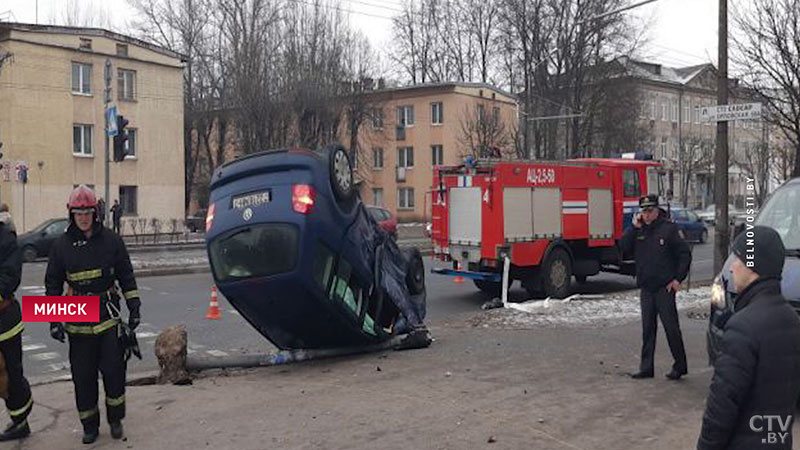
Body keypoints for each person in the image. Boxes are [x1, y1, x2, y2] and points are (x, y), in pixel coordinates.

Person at [45, 185, 141, 444]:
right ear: (71, 214)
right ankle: (90, 425)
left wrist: (134, 308)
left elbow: (126, 276)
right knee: (83, 378)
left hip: (107, 314)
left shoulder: (112, 241)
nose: (84, 217)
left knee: (114, 372)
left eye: (87, 212)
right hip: (77, 317)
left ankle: (115, 419)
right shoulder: (61, 246)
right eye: (79, 212)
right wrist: (54, 319)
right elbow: (52, 284)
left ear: (95, 213)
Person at [698, 226, 800, 449]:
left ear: (754, 267)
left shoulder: (742, 326)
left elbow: (722, 405)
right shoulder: (792, 319)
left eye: (739, 259)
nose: (732, 268)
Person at [620, 194, 691, 380]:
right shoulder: (639, 230)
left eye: (650, 210)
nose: (647, 214)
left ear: (657, 210)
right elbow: (623, 248)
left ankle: (680, 365)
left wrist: (678, 279)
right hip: (647, 288)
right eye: (644, 211)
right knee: (647, 330)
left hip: (664, 288)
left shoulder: (668, 229)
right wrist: (633, 228)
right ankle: (646, 367)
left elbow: (684, 255)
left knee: (671, 329)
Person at [0, 209, 31, 441]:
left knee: (11, 374)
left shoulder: (6, 239)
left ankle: (20, 421)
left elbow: (9, 279)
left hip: (5, 321)